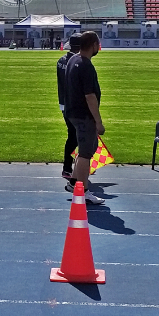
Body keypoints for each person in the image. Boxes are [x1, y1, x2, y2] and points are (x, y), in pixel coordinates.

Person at [64, 31, 105, 205]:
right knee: (86, 154)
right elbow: (90, 96)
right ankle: (84, 191)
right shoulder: (86, 65)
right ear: (94, 45)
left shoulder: (73, 60)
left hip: (72, 111)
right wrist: (98, 121)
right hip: (83, 115)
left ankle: (74, 182)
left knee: (85, 150)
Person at [57, 34, 81, 181]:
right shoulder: (77, 62)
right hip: (74, 103)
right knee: (75, 136)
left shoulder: (61, 60)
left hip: (64, 102)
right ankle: (68, 167)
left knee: (74, 134)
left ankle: (77, 165)